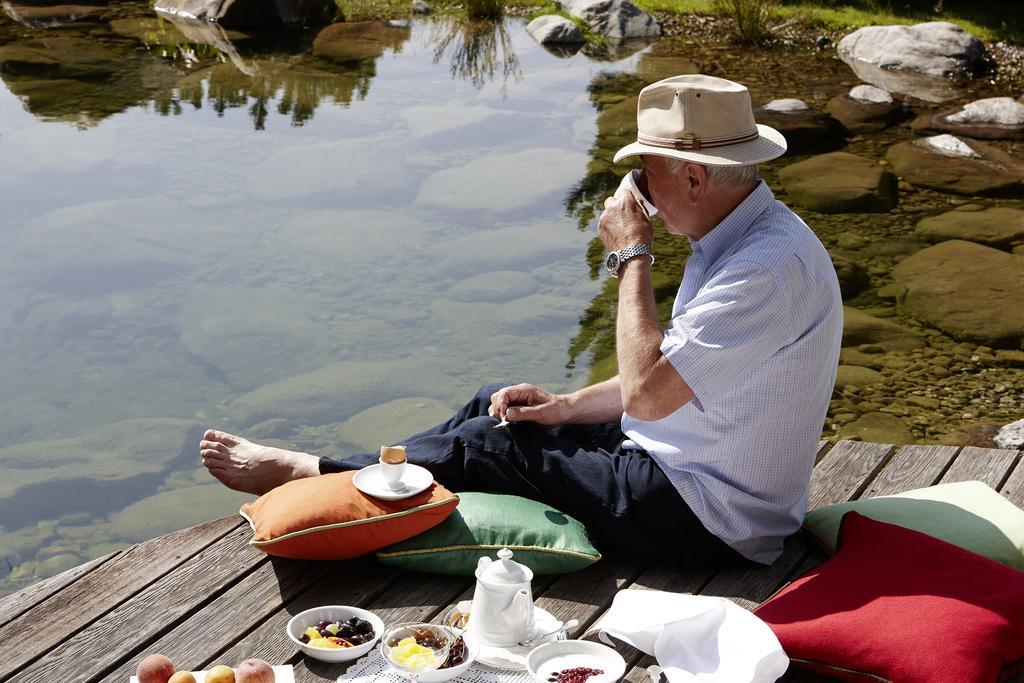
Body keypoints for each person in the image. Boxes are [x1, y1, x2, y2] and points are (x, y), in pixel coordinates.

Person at [201, 75, 843, 569]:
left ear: (696, 178)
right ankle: (369, 484)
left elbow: (648, 396)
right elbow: (677, 379)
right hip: (682, 465)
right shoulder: (741, 241)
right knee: (498, 405)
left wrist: (631, 255)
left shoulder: (766, 269)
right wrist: (564, 406)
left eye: (644, 176)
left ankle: (318, 476)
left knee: (487, 444)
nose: (636, 195)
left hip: (709, 516)